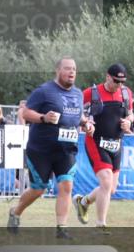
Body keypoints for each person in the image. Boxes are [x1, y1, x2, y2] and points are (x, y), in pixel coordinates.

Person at [7, 57, 95, 239]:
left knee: (66, 186)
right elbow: (26, 112)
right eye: (67, 69)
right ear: (58, 71)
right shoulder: (44, 91)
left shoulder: (78, 94)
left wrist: (86, 124)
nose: (72, 72)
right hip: (41, 150)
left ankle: (61, 229)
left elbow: (77, 116)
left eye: (74, 69)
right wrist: (43, 118)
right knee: (39, 189)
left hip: (66, 150)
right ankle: (15, 212)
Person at [74, 63, 134, 233]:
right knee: (106, 181)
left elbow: (130, 113)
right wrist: (85, 122)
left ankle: (83, 202)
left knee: (111, 188)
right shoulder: (91, 93)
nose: (119, 85)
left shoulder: (125, 93)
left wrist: (129, 121)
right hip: (96, 141)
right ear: (108, 77)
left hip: (116, 143)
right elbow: (76, 111)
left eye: (122, 82)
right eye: (116, 81)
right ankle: (100, 225)